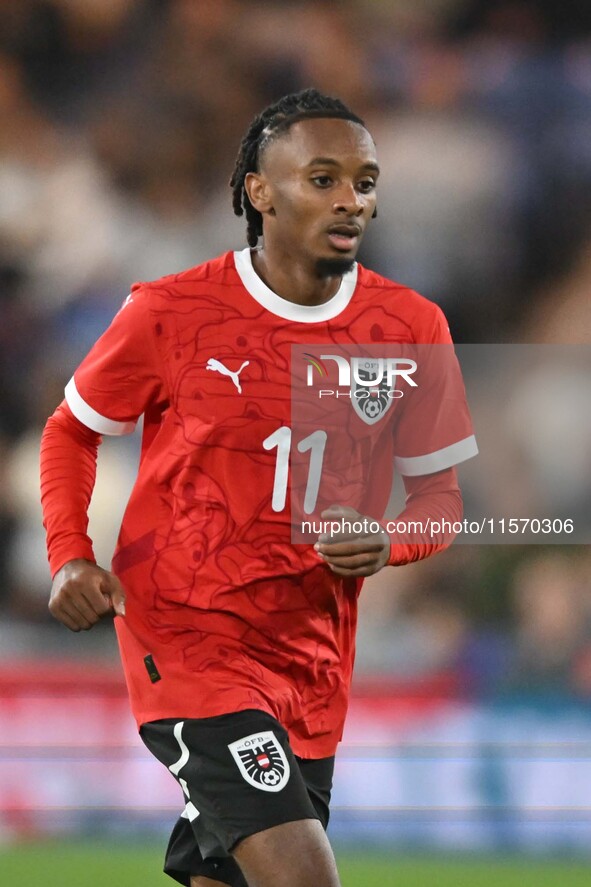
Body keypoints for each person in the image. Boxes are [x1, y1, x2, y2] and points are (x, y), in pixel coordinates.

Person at [40, 89, 477, 887]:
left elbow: (440, 504)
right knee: (303, 878)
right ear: (260, 189)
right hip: (189, 636)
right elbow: (72, 429)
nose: (351, 198)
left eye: (365, 181)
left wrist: (391, 538)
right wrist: (70, 554)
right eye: (322, 178)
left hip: (309, 656)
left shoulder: (410, 325)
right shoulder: (171, 312)